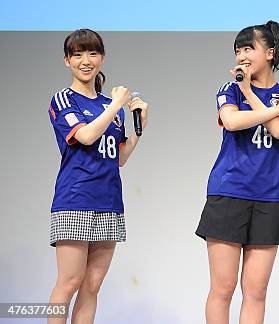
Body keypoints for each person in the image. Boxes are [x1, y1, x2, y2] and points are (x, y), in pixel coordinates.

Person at [195, 20, 279, 324]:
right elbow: (232, 122)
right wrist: (272, 107)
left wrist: (253, 95)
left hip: (268, 199)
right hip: (227, 193)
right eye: (238, 50)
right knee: (223, 288)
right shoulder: (229, 90)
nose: (241, 55)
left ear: (270, 53)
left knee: (255, 291)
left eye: (248, 48)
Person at [47, 28, 149, 324]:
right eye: (77, 54)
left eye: (92, 53)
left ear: (101, 57)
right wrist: (116, 105)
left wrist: (140, 128)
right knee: (69, 282)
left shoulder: (110, 108)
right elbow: (87, 136)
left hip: (109, 202)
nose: (85, 60)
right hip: (74, 200)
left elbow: (119, 158)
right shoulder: (64, 99)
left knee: (92, 286)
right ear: (67, 61)